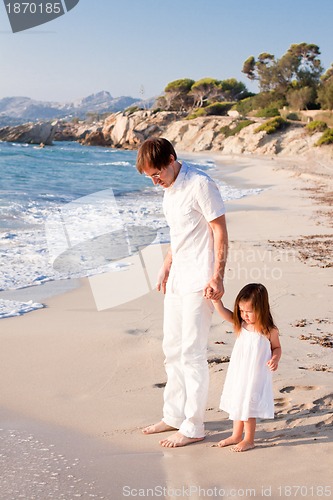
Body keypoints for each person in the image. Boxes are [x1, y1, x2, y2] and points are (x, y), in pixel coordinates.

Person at [136, 137, 228, 447]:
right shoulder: (167, 192)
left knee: (192, 352)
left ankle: (194, 425)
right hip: (177, 278)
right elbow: (180, 233)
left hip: (199, 281)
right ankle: (173, 415)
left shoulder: (201, 184)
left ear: (172, 159)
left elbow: (220, 231)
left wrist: (217, 276)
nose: (155, 181)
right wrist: (166, 263)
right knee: (171, 350)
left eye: (157, 173)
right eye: (150, 176)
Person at [212, 283, 281, 452]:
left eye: (248, 311)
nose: (244, 315)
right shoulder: (241, 324)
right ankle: (236, 435)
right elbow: (225, 313)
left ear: (261, 309)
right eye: (241, 311)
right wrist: (216, 302)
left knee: (248, 405)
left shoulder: (268, 330)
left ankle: (249, 439)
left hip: (255, 375)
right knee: (238, 401)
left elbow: (277, 348)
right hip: (239, 372)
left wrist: (275, 359)